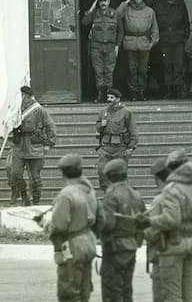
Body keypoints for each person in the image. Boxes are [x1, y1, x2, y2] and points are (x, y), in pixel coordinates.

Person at [137, 149, 192, 302]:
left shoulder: (172, 189)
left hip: (173, 244)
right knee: (189, 292)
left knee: (171, 294)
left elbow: (171, 219)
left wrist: (148, 222)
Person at [40, 153, 103, 302]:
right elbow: (101, 218)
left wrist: (45, 224)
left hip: (72, 246)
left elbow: (59, 226)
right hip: (89, 242)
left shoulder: (66, 194)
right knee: (84, 289)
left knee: (69, 292)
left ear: (63, 173)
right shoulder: (89, 190)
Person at [100, 158, 146, 302]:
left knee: (112, 291)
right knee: (127, 289)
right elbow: (142, 222)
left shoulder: (111, 194)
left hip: (114, 248)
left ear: (109, 176)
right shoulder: (136, 194)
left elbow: (108, 224)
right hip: (131, 245)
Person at [10, 86, 56, 205]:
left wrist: (49, 143)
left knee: (35, 179)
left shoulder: (39, 109)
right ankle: (24, 196)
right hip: (19, 146)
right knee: (15, 174)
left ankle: (36, 201)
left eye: (21, 95)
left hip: (34, 146)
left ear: (26, 96)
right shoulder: (16, 108)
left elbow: (50, 126)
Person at [118, 0, 159, 101]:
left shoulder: (149, 11)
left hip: (144, 42)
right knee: (132, 69)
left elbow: (154, 28)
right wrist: (126, 1)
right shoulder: (127, 9)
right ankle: (133, 92)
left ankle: (141, 91)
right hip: (131, 42)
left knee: (143, 69)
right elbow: (117, 14)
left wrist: (153, 42)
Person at [82, 0, 123, 103]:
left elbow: (121, 31)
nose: (103, 3)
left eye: (105, 1)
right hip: (96, 47)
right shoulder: (94, 14)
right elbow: (84, 22)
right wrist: (92, 8)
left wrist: (117, 46)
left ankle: (108, 96)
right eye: (100, 1)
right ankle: (100, 95)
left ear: (109, 2)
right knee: (98, 71)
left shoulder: (115, 14)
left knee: (109, 72)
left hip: (110, 47)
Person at [96, 88, 138, 191]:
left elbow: (133, 130)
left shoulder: (126, 112)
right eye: (108, 97)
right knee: (102, 171)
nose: (109, 99)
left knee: (119, 174)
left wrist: (131, 148)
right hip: (105, 147)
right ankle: (107, 194)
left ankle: (122, 197)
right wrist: (101, 125)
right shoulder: (103, 112)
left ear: (118, 99)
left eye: (112, 97)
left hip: (120, 148)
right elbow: (97, 127)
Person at [152, 0, 190, 98]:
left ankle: (178, 89)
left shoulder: (181, 4)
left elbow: (186, 22)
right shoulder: (158, 5)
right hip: (164, 40)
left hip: (178, 39)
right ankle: (169, 90)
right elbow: (147, 7)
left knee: (178, 65)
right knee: (166, 65)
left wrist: (184, 38)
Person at [144, 157, 170, 302]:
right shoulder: (183, 194)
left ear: (158, 179)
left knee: (161, 295)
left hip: (162, 253)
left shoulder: (160, 200)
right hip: (182, 253)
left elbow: (152, 231)